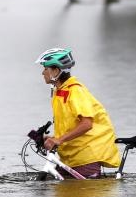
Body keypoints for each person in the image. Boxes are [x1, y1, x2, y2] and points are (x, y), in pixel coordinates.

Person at [35, 47, 120, 178]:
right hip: (71, 156)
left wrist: (59, 140)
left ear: (56, 70)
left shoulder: (75, 91)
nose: (42, 73)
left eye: (45, 68)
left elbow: (87, 124)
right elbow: (70, 124)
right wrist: (53, 138)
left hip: (86, 156)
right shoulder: (60, 91)